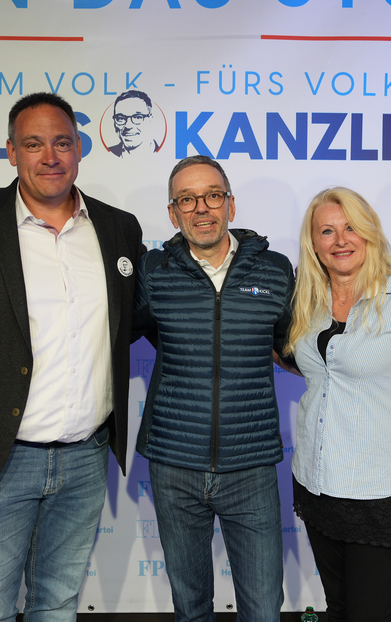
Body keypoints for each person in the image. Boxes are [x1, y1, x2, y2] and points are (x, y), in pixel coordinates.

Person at [0, 91, 144, 622]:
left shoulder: (119, 228)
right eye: (33, 144)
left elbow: (139, 318)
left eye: (62, 143)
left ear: (80, 149)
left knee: (57, 604)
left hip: (85, 458)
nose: (50, 157)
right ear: (11, 152)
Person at [133, 155, 294, 622]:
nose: (201, 208)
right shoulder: (154, 271)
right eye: (187, 199)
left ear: (231, 205)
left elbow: (292, 346)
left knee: (263, 610)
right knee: (190, 608)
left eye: (212, 196)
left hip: (251, 466)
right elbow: (124, 332)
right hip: (174, 464)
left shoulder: (274, 269)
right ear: (172, 213)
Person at [283, 187, 391, 622]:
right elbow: (322, 371)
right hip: (317, 485)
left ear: (370, 232)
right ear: (313, 242)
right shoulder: (306, 300)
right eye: (327, 231)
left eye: (351, 228)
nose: (340, 240)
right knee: (338, 610)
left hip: (384, 495)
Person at [108, 89, 160, 157]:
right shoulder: (105, 154)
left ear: (150, 119)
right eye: (121, 118)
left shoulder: (167, 154)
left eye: (137, 117)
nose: (128, 126)